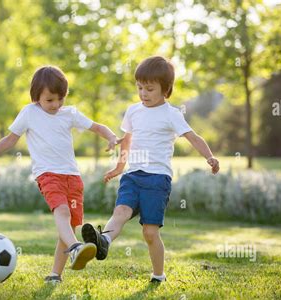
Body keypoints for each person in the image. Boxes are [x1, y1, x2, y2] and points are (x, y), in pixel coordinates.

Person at [82, 56, 220, 283]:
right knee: (120, 213)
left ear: (166, 90)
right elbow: (127, 141)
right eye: (139, 88)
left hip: (157, 180)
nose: (143, 93)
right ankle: (103, 242)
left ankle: (158, 275)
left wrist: (210, 157)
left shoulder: (172, 114)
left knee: (150, 232)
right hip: (132, 176)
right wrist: (119, 167)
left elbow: (192, 137)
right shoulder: (134, 111)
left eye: (149, 89)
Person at [0, 65, 120, 284]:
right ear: (37, 97)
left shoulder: (70, 114)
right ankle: (75, 248)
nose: (55, 105)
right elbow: (11, 139)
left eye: (60, 99)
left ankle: (55, 274)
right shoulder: (29, 113)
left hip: (73, 177)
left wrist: (111, 136)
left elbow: (96, 127)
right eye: (50, 100)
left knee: (70, 225)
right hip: (47, 175)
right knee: (62, 212)